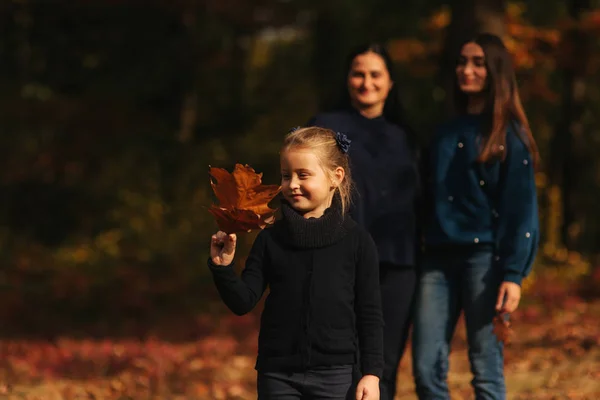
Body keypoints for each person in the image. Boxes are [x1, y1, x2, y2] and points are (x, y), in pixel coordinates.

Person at [209, 126, 384, 400]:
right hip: (277, 374)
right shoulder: (270, 239)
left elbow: (370, 314)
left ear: (335, 177)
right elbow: (243, 302)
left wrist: (372, 374)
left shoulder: (357, 242)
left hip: (336, 376)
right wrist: (223, 268)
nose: (292, 184)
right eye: (286, 175)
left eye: (303, 175)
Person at [412, 33, 540, 399]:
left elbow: (522, 210)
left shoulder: (510, 136)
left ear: (496, 70)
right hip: (436, 259)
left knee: (485, 370)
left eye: (477, 62)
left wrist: (514, 274)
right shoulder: (443, 131)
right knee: (425, 369)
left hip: (484, 261)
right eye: (461, 62)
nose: (466, 70)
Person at [308, 43, 419, 400]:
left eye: (375, 74)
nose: (366, 81)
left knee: (382, 368)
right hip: (343, 262)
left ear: (390, 82)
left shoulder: (407, 137)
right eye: (358, 73)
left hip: (398, 265)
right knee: (342, 367)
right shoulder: (325, 128)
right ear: (347, 79)